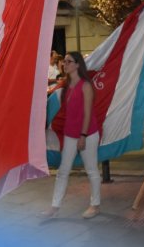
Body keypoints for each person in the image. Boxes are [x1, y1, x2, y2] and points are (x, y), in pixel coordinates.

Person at [42, 52, 101, 219]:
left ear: (77, 65)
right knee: (63, 171)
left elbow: (88, 113)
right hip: (70, 134)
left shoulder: (86, 85)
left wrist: (82, 135)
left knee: (91, 170)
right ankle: (54, 207)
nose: (64, 64)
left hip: (87, 133)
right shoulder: (66, 85)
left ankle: (95, 205)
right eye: (64, 62)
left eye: (68, 62)